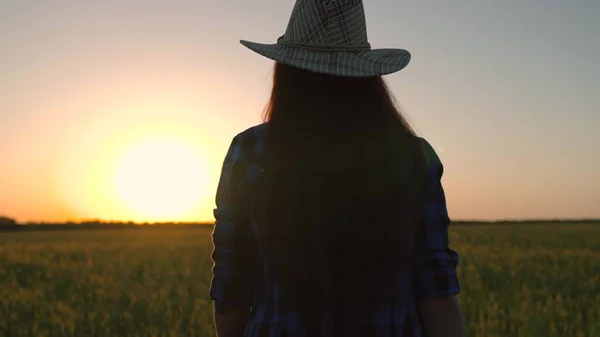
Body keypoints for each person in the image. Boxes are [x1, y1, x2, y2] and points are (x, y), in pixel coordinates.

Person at [209, 1, 466, 336]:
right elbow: (437, 294)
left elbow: (232, 286)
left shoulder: (251, 151)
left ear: (286, 73)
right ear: (367, 78)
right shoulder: (413, 157)